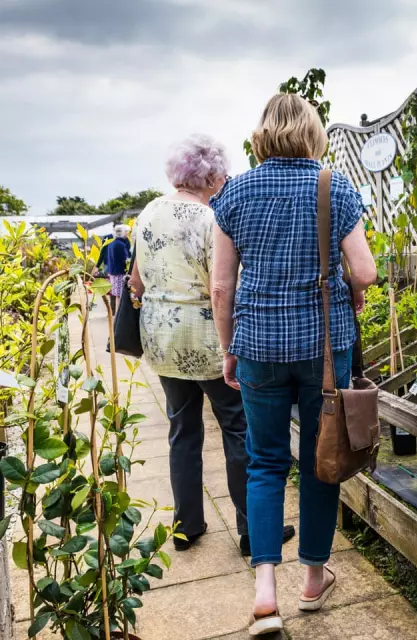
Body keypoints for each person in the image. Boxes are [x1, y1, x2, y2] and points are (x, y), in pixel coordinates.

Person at [211, 94, 377, 635]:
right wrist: (343, 282)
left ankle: (264, 594)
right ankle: (311, 580)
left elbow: (221, 287)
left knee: (264, 462)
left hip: (258, 347)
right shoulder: (335, 187)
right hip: (324, 350)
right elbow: (365, 271)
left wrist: (229, 348)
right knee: (321, 459)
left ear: (262, 134)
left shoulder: (234, 193)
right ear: (312, 133)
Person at [129, 134, 296, 557]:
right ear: (210, 175)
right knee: (238, 430)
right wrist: (231, 345)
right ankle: (252, 530)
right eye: (221, 172)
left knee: (182, 430)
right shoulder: (211, 218)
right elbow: (222, 287)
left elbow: (136, 281)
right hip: (205, 337)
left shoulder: (148, 212)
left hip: (161, 337)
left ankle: (186, 526)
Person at [106, 225, 131, 314]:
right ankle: (119, 315)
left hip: (113, 272)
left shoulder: (112, 243)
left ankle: (117, 314)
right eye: (126, 232)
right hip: (119, 273)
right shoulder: (120, 245)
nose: (127, 234)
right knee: (120, 296)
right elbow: (125, 259)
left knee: (117, 295)